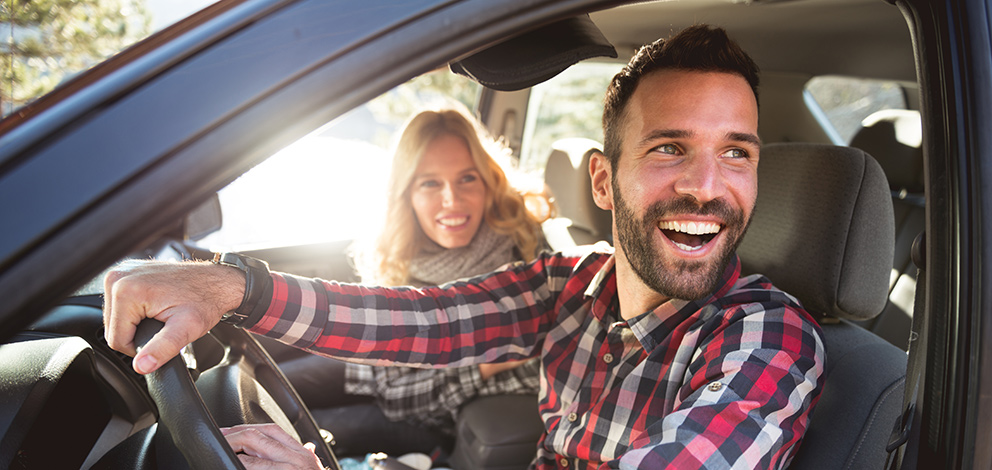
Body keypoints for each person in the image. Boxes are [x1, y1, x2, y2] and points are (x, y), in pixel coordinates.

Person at [103, 24, 825, 469]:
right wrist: (233, 289)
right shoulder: (573, 286)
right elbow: (419, 320)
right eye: (671, 148)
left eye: (737, 155)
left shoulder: (768, 339)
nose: (707, 187)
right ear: (603, 182)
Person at [276, 107, 546, 457]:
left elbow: (402, 398)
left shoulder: (527, 254)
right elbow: (387, 371)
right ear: (407, 193)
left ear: (488, 181)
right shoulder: (404, 249)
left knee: (299, 431)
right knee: (271, 385)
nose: (452, 200)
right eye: (430, 183)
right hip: (376, 371)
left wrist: (485, 367)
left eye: (467, 178)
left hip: (432, 419)